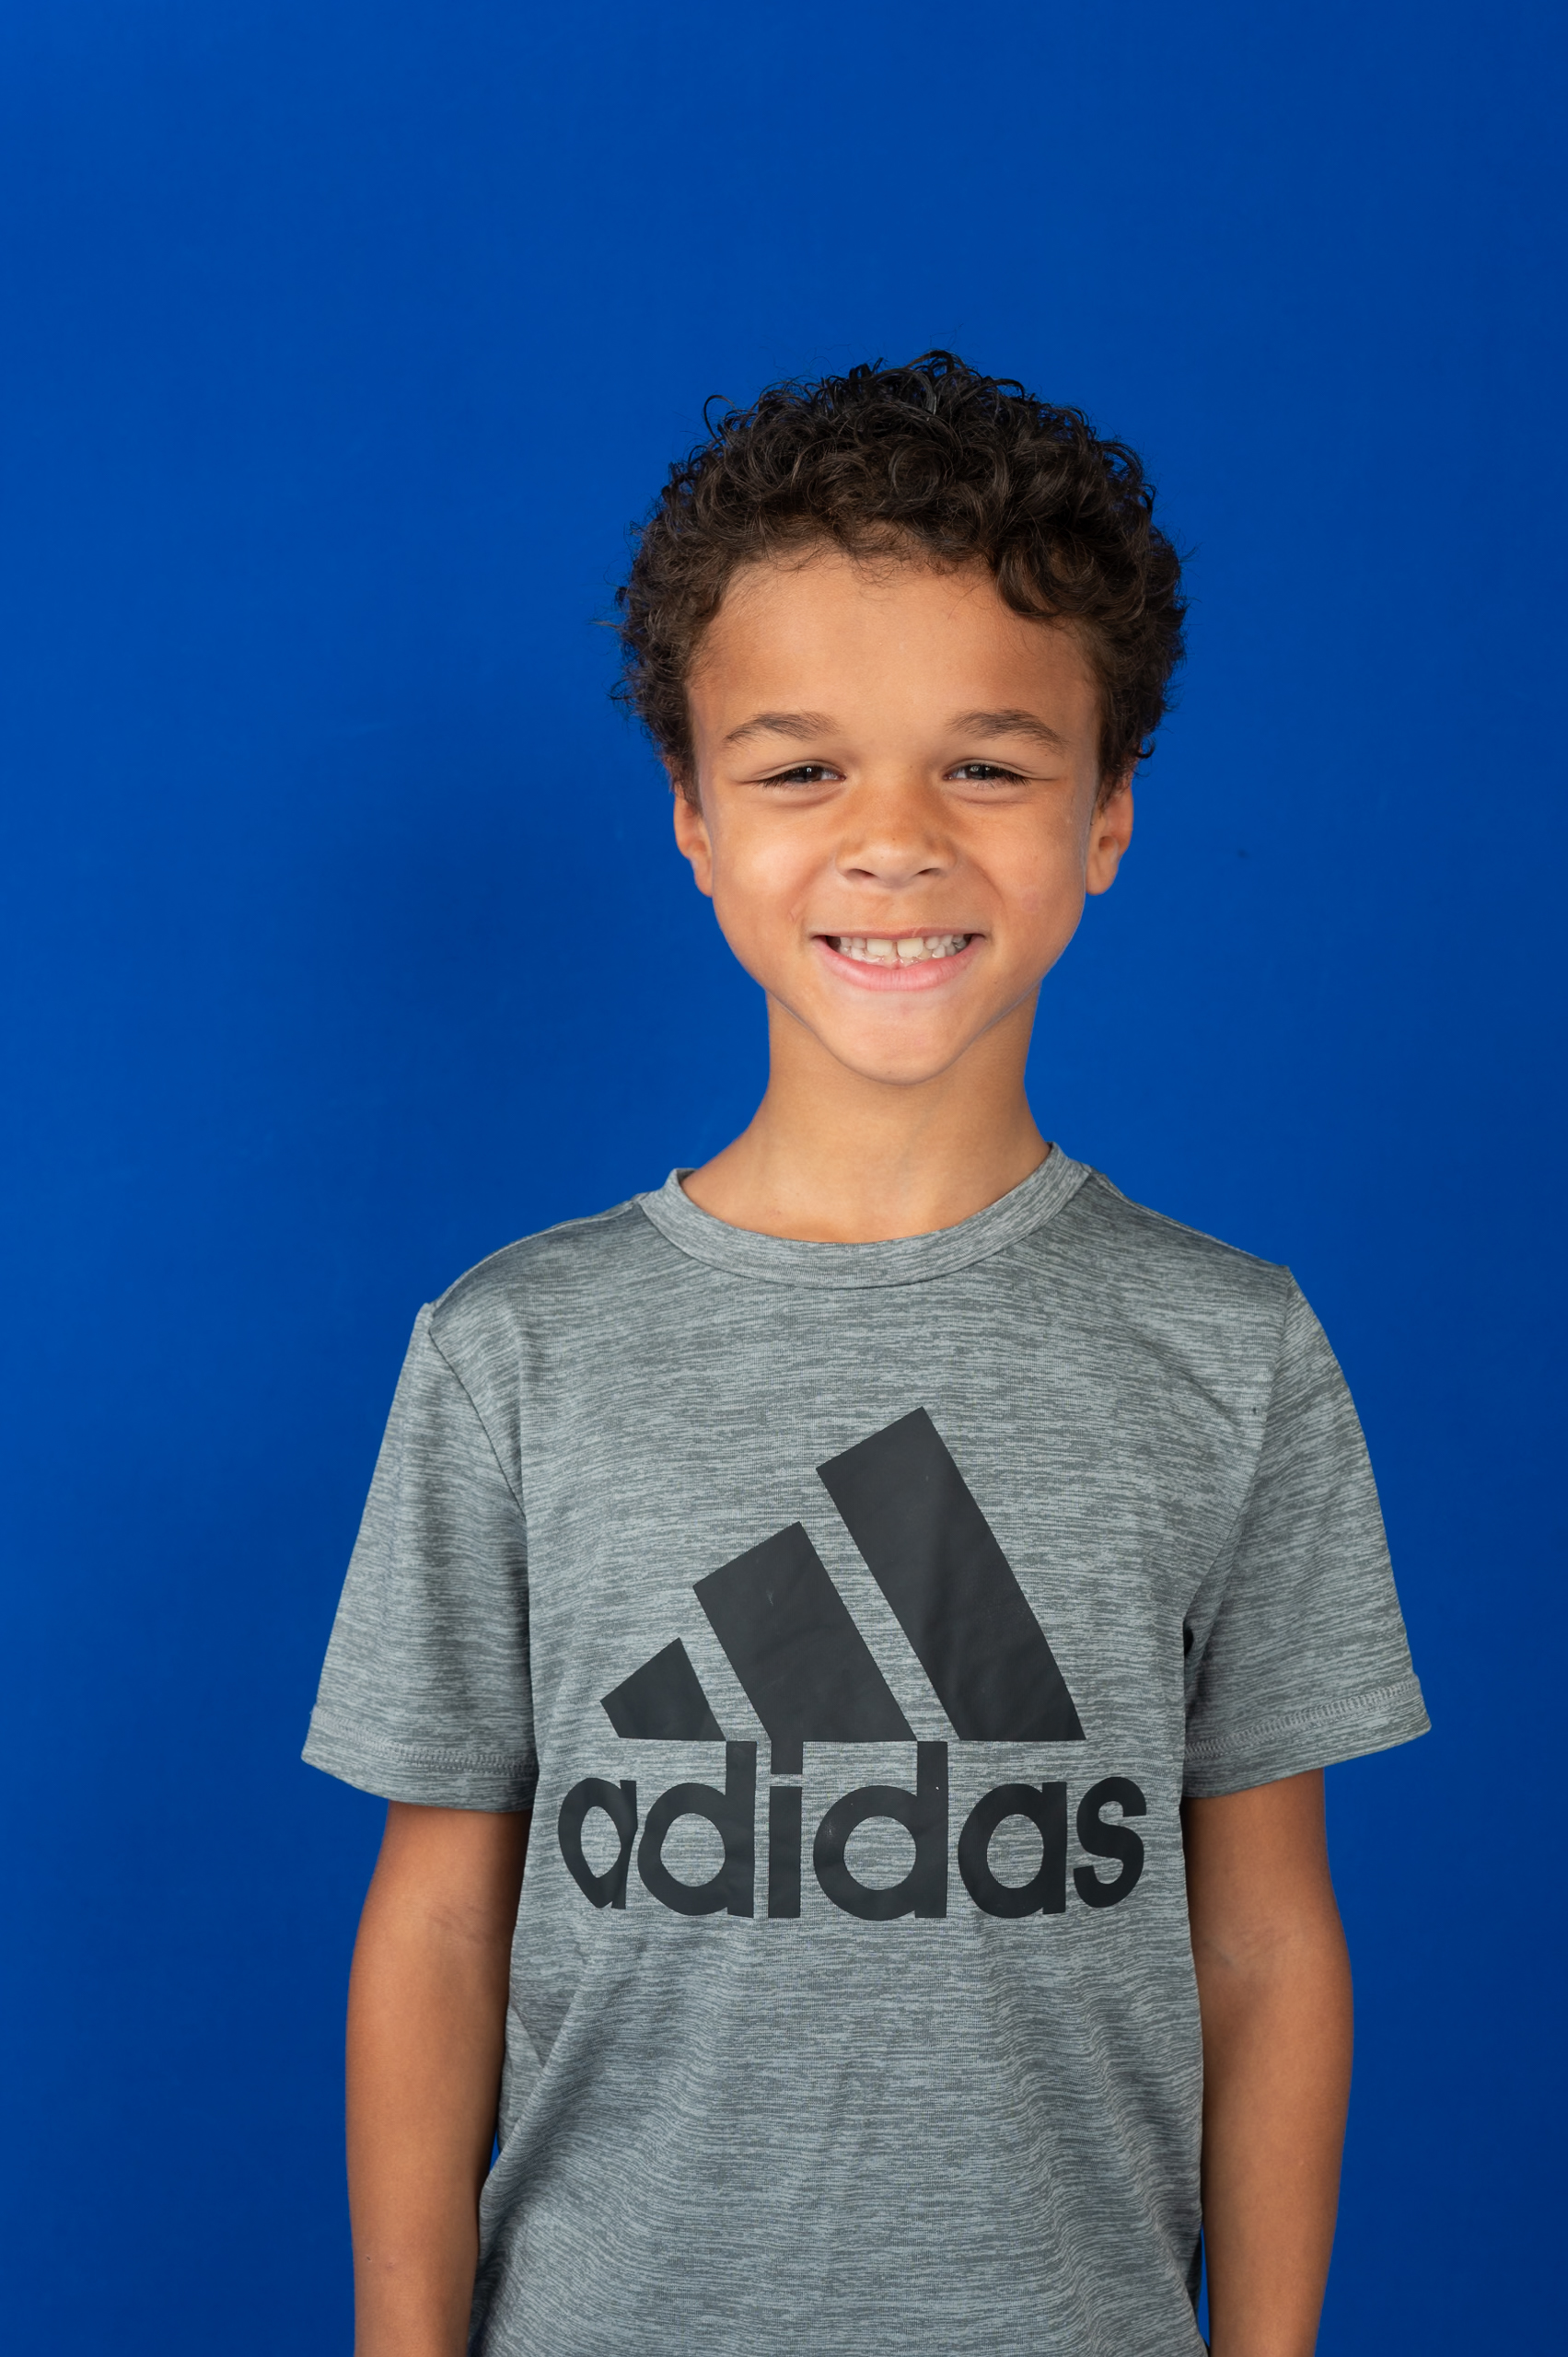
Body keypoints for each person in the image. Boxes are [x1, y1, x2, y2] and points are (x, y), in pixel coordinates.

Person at [304, 353, 1428, 2357]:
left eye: (986, 767)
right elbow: (442, 1918)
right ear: (693, 816)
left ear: (1106, 813)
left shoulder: (1233, 1348)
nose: (893, 841)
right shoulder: (511, 1351)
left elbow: (1264, 1935)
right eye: (801, 769)